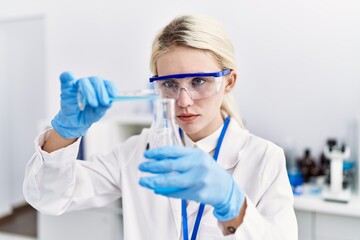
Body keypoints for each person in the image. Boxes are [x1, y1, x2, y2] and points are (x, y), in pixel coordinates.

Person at [23, 15, 298, 239]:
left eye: (199, 81)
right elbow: (50, 198)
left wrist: (233, 206)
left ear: (228, 82)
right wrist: (65, 132)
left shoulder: (264, 160)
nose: (183, 101)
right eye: (169, 84)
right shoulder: (138, 151)